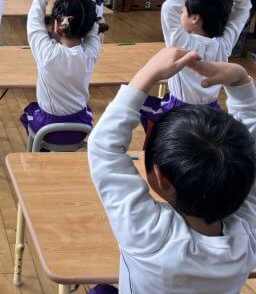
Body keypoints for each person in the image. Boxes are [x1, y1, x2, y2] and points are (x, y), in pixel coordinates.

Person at [88, 47, 256, 294]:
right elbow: (105, 149)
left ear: (162, 179)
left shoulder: (150, 235)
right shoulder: (249, 234)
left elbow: (103, 147)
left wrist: (149, 73)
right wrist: (241, 79)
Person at [140, 0, 251, 134]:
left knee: (141, 106)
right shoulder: (224, 44)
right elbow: (243, 9)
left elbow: (168, 8)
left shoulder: (181, 42)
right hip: (211, 111)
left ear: (195, 18)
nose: (180, 13)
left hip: (179, 111)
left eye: (183, 11)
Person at [20, 0, 101, 149]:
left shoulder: (46, 53)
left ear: (56, 26)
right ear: (88, 28)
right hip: (82, 126)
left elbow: (34, 18)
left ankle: (39, 150)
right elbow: (92, 21)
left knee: (28, 113)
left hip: (48, 129)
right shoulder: (91, 52)